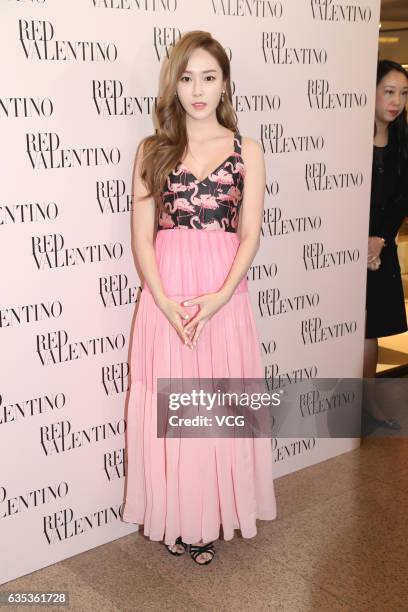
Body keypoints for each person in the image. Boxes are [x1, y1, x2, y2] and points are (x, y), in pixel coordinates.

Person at [122, 31, 277, 565]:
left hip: (223, 293)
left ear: (225, 83)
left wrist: (217, 299)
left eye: (209, 77)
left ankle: (205, 516)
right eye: (187, 78)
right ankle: (173, 516)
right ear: (174, 83)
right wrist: (164, 303)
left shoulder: (246, 151)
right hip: (166, 293)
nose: (197, 89)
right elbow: (143, 236)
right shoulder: (152, 149)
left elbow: (250, 233)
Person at [363, 59, 408, 429]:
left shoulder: (401, 142)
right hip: (347, 249)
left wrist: (379, 239)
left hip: (380, 251)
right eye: (389, 91)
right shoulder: (350, 137)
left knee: (371, 329)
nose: (396, 101)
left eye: (404, 93)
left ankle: (369, 402)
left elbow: (401, 198)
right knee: (349, 329)